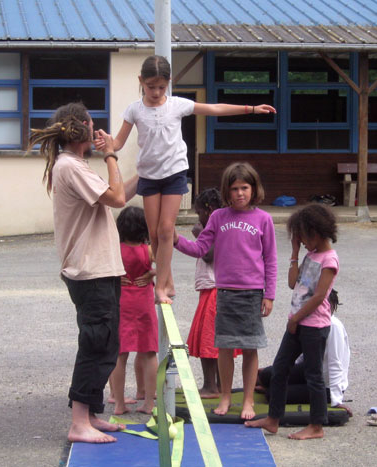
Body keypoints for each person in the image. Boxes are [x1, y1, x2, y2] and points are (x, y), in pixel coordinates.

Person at [96, 55, 276, 304]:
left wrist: (251, 109)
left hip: (173, 173)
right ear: (141, 81)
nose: (157, 92)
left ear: (169, 82)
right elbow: (117, 142)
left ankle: (161, 288)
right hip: (148, 176)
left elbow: (213, 109)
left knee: (166, 229)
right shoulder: (134, 110)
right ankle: (166, 280)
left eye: (162, 86)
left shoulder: (177, 104)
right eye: (151, 87)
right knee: (154, 234)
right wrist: (106, 143)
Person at [29, 102, 137, 444]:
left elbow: (116, 195)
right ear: (82, 131)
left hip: (98, 269)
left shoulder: (73, 165)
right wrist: (112, 156)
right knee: (95, 343)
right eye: (93, 127)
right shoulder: (72, 167)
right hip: (89, 271)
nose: (97, 132)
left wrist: (149, 173)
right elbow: (118, 198)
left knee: (107, 342)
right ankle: (79, 423)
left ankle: (90, 414)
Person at [173, 162, 277, 420]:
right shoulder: (219, 217)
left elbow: (270, 259)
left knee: (251, 348)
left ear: (254, 189)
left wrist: (269, 294)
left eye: (245, 188)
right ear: (226, 192)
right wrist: (174, 239)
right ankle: (226, 396)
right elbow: (200, 249)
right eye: (234, 189)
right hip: (226, 292)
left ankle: (249, 400)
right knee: (225, 348)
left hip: (252, 293)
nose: (240, 193)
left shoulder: (264, 219)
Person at [246, 203, 339, 440]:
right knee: (279, 370)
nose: (302, 241)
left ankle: (316, 426)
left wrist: (296, 319)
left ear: (316, 232)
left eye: (303, 237)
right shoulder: (310, 255)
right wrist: (296, 253)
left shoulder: (329, 259)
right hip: (297, 322)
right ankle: (273, 419)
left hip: (314, 326)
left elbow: (319, 296)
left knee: (313, 375)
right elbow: (292, 283)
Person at [255, 289, 352, 416]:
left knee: (273, 394)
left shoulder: (334, 327)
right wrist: (287, 372)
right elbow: (301, 354)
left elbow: (336, 364)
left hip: (324, 385)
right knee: (267, 375)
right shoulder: (308, 320)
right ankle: (272, 384)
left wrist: (337, 400)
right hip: (309, 372)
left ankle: (271, 389)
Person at [187, 188, 242, 398]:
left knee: (209, 341)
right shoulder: (225, 224)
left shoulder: (216, 226)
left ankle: (211, 386)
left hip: (214, 287)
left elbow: (209, 255)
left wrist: (199, 234)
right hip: (216, 286)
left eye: (199, 212)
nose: (198, 217)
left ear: (209, 210)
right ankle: (218, 384)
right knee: (214, 340)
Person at [109, 206, 158, 416]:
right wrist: (150, 273)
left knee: (120, 353)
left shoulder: (114, 249)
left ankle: (119, 402)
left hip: (121, 300)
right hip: (143, 299)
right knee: (148, 352)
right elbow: (164, 264)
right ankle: (148, 401)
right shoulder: (147, 250)